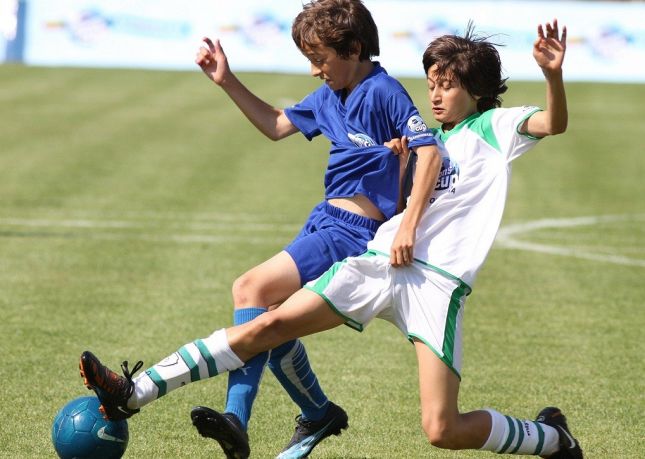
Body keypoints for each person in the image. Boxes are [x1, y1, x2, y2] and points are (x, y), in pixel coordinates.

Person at [80, 18, 582, 459]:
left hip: (436, 285)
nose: (434, 95)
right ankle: (134, 391)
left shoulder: (496, 127)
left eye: (447, 86)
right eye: (431, 84)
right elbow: (401, 201)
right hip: (379, 263)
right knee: (268, 324)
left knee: (442, 429)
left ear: (476, 90)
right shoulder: (425, 141)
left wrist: (552, 75)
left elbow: (553, 123)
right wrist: (398, 168)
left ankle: (552, 438)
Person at [120, 1, 438, 458]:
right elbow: (275, 124)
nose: (314, 70)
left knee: (249, 288)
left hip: (352, 232)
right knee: (269, 316)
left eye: (320, 59)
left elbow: (429, 150)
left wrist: (408, 224)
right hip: (323, 220)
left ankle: (236, 418)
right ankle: (317, 413)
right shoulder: (329, 95)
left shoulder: (383, 90)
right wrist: (226, 80)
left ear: (353, 49)